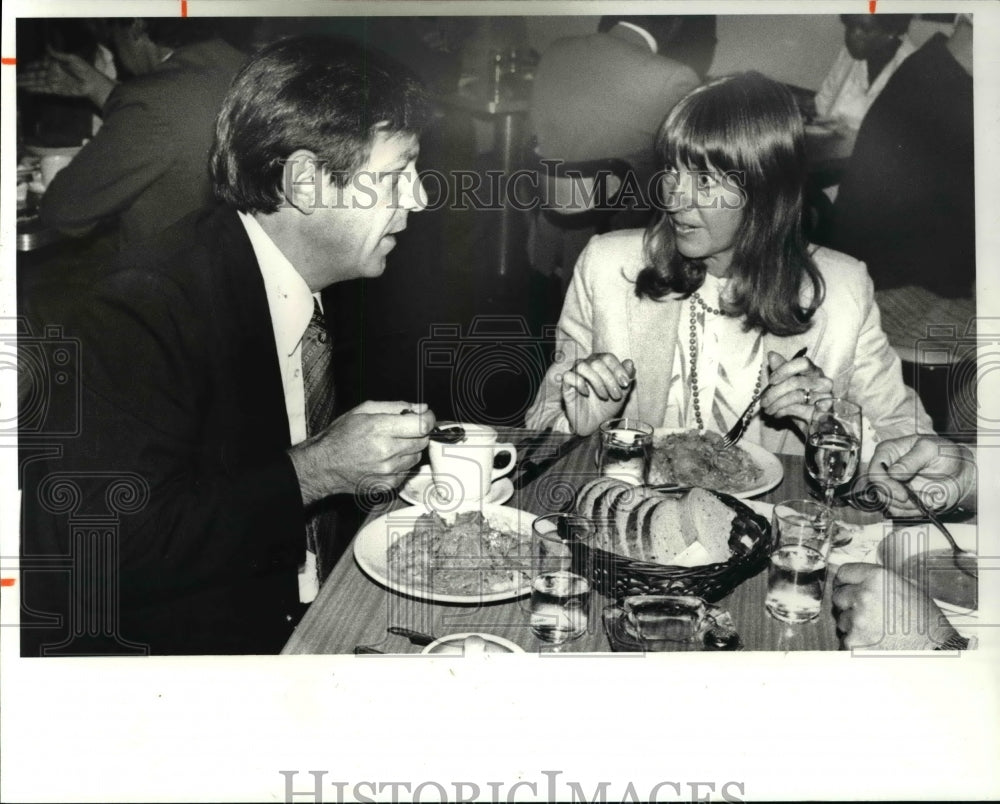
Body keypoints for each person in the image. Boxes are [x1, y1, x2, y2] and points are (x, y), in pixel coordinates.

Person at [20, 36, 435, 656]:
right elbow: (103, 553)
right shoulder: (138, 313)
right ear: (304, 181)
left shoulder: (329, 282)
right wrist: (315, 470)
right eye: (397, 175)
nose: (420, 199)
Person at [524, 72, 933, 459]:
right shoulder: (608, 267)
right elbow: (538, 431)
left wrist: (831, 430)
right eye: (670, 172)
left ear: (765, 191)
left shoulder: (842, 290)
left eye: (704, 181)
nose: (673, 199)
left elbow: (912, 445)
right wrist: (584, 426)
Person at [19, 18, 247, 247]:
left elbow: (63, 210)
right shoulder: (243, 65)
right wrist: (99, 88)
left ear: (136, 26)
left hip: (167, 272)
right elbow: (181, 112)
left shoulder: (151, 101)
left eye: (115, 32)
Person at [528, 16, 702, 289]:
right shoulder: (673, 77)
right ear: (675, 24)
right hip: (615, 235)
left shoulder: (557, 50)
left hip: (549, 222)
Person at [823, 15, 974, 296]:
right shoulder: (931, 84)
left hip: (900, 277)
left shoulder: (931, 74)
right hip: (892, 283)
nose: (855, 35)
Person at [812, 14, 915, 136]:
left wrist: (845, 132)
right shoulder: (848, 55)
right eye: (850, 26)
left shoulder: (912, 70)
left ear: (891, 31)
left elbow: (898, 140)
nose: (853, 35)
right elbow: (822, 106)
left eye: (865, 29)